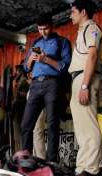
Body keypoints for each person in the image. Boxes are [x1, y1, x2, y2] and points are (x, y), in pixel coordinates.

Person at [21, 14, 72, 162]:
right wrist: (30, 60)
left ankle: (51, 163)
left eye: (46, 28)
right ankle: (26, 159)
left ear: (52, 26)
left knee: (52, 124)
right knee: (26, 123)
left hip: (53, 83)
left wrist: (46, 59)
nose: (43, 32)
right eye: (40, 29)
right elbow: (25, 68)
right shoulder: (35, 44)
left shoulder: (62, 42)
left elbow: (64, 67)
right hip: (35, 84)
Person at [68, 0, 102, 176]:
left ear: (83, 12)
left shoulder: (91, 28)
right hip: (78, 77)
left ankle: (90, 169)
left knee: (88, 126)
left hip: (84, 78)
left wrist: (84, 85)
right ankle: (82, 167)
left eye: (73, 12)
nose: (70, 15)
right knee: (82, 128)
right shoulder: (82, 30)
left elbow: (92, 55)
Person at [12, 64, 30, 151]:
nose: (16, 73)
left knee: (20, 130)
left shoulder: (24, 81)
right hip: (18, 107)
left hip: (22, 107)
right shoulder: (18, 81)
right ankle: (19, 150)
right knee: (17, 131)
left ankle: (22, 150)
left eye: (17, 71)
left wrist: (17, 92)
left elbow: (27, 95)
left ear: (21, 72)